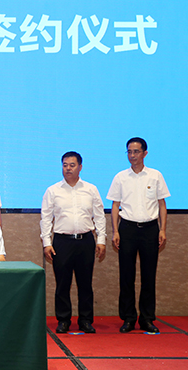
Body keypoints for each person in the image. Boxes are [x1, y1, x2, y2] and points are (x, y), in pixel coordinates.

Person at [107, 137, 170, 334]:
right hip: (127, 228)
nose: (132, 155)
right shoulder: (120, 177)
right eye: (129, 151)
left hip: (150, 229)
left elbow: (162, 204)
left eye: (136, 151)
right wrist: (115, 231)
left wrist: (162, 229)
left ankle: (147, 318)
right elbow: (115, 205)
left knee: (149, 276)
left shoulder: (155, 175)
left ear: (145, 153)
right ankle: (128, 318)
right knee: (126, 276)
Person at [40, 151, 106, 334]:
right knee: (62, 284)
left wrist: (101, 240)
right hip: (62, 242)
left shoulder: (91, 189)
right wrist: (47, 242)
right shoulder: (53, 190)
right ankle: (63, 320)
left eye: (72, 165)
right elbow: (46, 218)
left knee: (85, 284)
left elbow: (99, 216)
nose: (68, 168)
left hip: (85, 241)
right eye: (65, 165)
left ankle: (86, 320)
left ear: (80, 167)